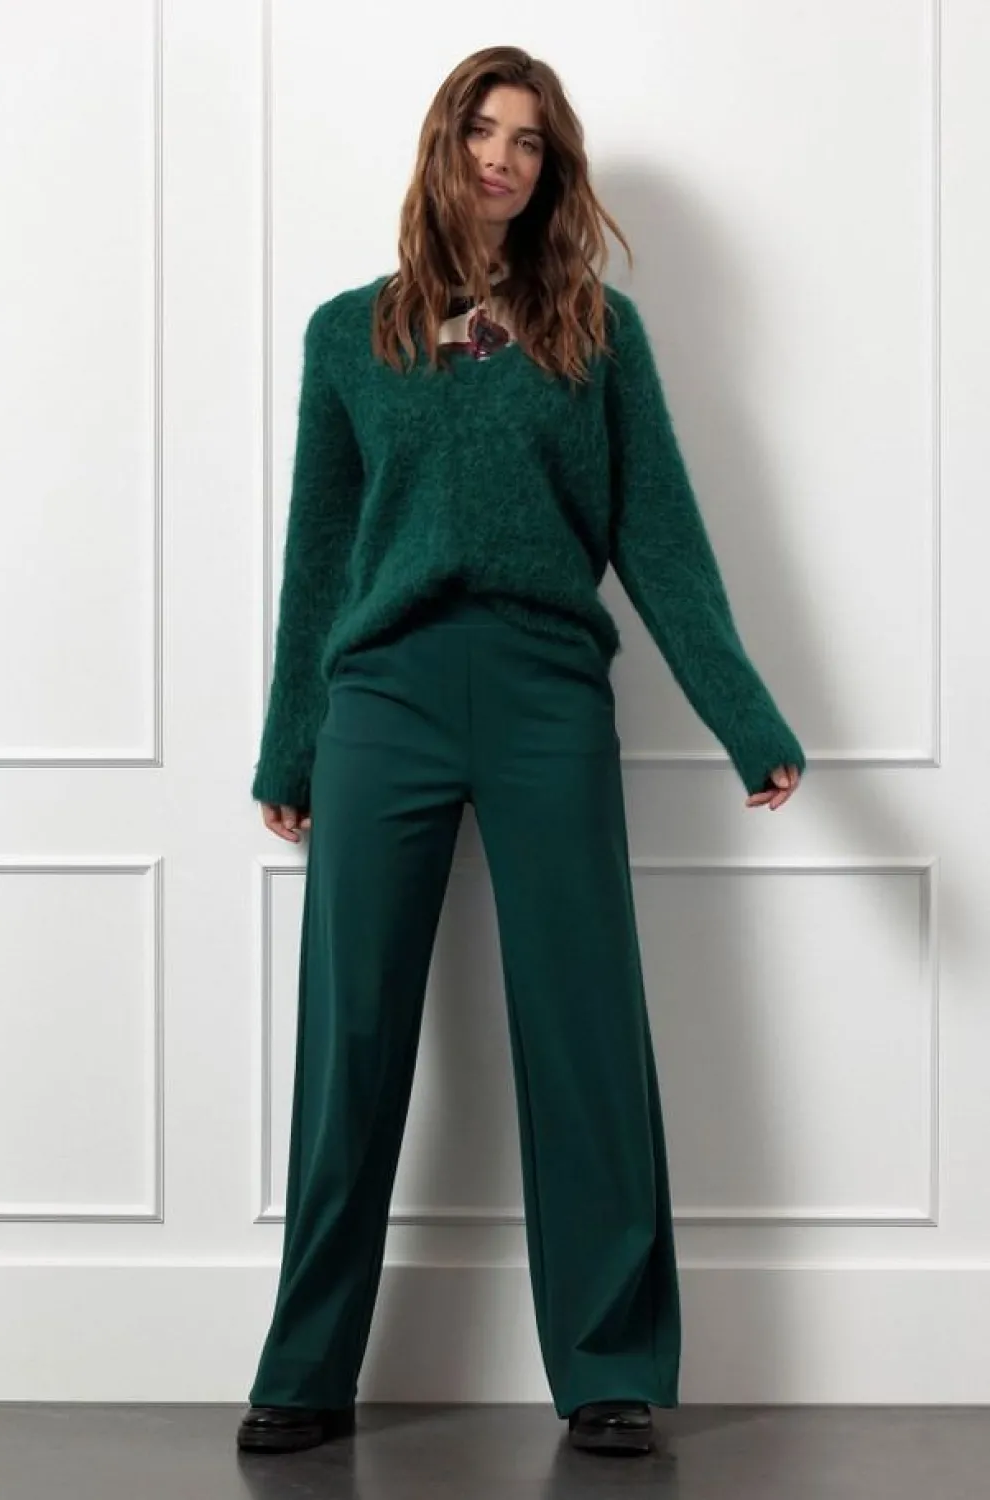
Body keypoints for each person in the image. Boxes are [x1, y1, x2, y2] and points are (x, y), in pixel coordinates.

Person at [236, 45, 805, 1460]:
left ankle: (609, 1365)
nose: (501, 157)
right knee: (351, 1035)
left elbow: (658, 533)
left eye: (529, 141)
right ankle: (306, 1367)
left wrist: (744, 716)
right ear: (443, 145)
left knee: (583, 1021)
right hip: (385, 699)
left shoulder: (595, 333)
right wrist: (290, 746)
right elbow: (319, 558)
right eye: (482, 131)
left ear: (553, 170)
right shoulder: (348, 336)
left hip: (548, 691)